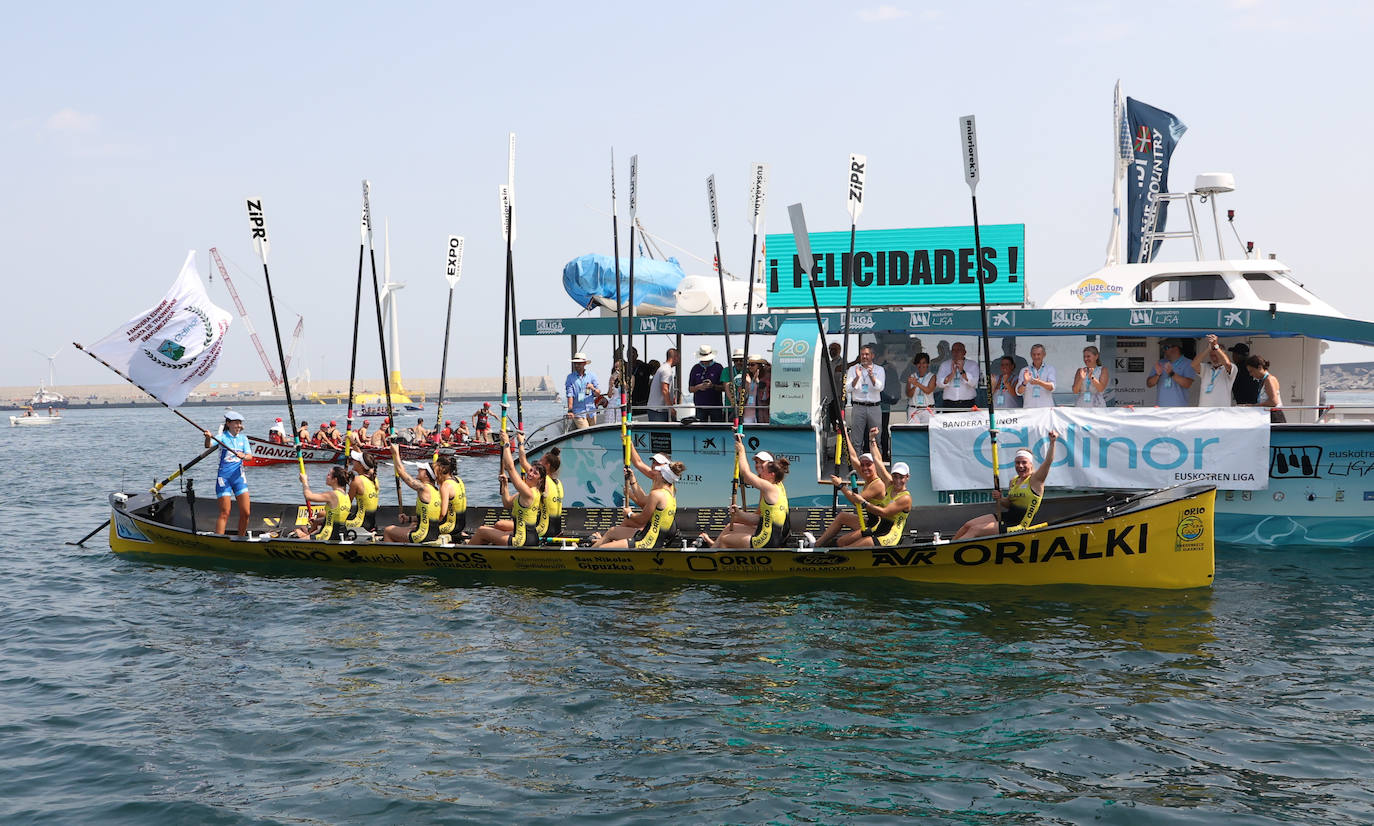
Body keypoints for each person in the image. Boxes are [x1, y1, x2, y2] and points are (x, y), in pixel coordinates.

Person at [954, 431, 1060, 540]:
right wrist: (1000, 498)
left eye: (1024, 462)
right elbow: (1008, 504)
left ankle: (951, 550)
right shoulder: (1013, 481)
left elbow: (1048, 461)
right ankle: (944, 547)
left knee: (975, 530)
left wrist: (1052, 442)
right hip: (1007, 517)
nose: (1020, 466)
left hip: (1019, 526)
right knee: (968, 525)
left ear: (1031, 464)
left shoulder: (1036, 480)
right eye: (1017, 463)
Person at [699, 437, 790, 548]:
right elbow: (760, 518)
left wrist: (741, 451)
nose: (758, 467)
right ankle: (713, 549)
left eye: (762, 465)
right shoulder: (777, 484)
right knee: (730, 528)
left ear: (772, 473)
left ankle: (715, 558)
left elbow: (746, 475)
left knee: (725, 540)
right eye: (757, 463)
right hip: (771, 535)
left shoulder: (768, 487)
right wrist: (740, 514)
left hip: (767, 541)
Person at [589, 447, 685, 549]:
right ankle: (595, 547)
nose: (653, 467)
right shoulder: (669, 489)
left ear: (662, 474)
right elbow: (644, 500)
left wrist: (629, 514)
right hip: (651, 535)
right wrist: (632, 479)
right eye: (653, 462)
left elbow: (642, 518)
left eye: (657, 465)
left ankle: (588, 555)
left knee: (603, 549)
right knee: (613, 531)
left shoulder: (658, 493)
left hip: (647, 541)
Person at [467, 433, 545, 546]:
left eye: (535, 473)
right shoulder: (529, 492)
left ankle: (468, 556)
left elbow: (510, 467)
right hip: (529, 537)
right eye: (531, 470)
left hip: (520, 540)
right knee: (494, 530)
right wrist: (505, 485)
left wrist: (506, 444)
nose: (530, 473)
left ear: (540, 480)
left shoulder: (528, 492)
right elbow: (507, 503)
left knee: (481, 530)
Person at [815, 431, 887, 547]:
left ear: (875, 466)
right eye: (862, 465)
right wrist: (844, 433)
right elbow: (852, 456)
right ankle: (816, 544)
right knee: (842, 516)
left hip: (877, 527)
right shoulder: (868, 477)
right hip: (871, 521)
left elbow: (856, 501)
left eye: (868, 464)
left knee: (842, 541)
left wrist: (841, 486)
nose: (864, 468)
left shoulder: (877, 484)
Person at [838, 449, 912, 548]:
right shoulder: (890, 484)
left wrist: (864, 503)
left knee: (846, 550)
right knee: (841, 542)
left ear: (907, 477)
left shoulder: (905, 498)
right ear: (891, 476)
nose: (898, 480)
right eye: (895, 476)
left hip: (889, 536)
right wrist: (872, 439)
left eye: (901, 477)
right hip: (878, 528)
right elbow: (877, 460)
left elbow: (884, 512)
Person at [492, 437, 562, 540]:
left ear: (547, 465)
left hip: (543, 530)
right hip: (556, 529)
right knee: (501, 526)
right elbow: (508, 502)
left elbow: (522, 461)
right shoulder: (558, 483)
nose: (538, 462)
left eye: (541, 460)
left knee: (500, 526)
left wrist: (519, 442)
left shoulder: (544, 480)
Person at [382, 443, 446, 543]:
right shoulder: (435, 490)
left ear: (426, 476)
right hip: (433, 533)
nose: (418, 469)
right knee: (411, 526)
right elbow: (426, 517)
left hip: (422, 535)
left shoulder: (424, 489)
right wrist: (408, 519)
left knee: (388, 530)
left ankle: (391, 556)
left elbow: (401, 473)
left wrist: (396, 454)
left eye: (422, 469)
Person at [203, 410, 252, 536]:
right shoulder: (222, 437)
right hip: (224, 479)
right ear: (228, 423)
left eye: (240, 423)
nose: (239, 426)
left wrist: (243, 456)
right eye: (236, 423)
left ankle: (241, 539)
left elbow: (250, 457)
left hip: (239, 479)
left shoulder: (243, 438)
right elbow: (208, 446)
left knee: (246, 512)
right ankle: (219, 539)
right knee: (225, 512)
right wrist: (208, 437)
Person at [293, 466, 352, 540]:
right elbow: (336, 518)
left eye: (329, 475)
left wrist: (305, 482)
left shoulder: (332, 495)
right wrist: (318, 521)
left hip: (327, 535)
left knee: (295, 535)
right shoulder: (346, 496)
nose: (326, 476)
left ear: (335, 480)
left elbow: (308, 496)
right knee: (303, 531)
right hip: (342, 533)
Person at [846, 344, 885, 455]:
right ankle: (856, 469)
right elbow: (847, 388)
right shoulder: (853, 369)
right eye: (862, 354)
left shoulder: (879, 369)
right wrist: (857, 377)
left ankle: (877, 469)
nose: (864, 357)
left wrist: (872, 376)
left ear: (872, 356)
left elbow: (880, 387)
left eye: (867, 354)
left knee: (876, 440)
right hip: (858, 407)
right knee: (856, 441)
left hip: (874, 407)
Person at [1147, 339, 1197, 406]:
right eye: (1162, 348)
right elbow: (1149, 384)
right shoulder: (1160, 362)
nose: (1163, 350)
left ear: (1176, 349)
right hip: (1161, 407)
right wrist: (1157, 375)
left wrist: (1171, 373)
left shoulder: (1188, 363)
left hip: (1179, 408)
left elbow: (1187, 384)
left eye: (1166, 347)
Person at [1192, 334, 1236, 408]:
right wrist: (1208, 349)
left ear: (1223, 354)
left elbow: (1227, 364)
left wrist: (1216, 347)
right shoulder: (1205, 367)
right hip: (1204, 411)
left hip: (1221, 411)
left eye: (1216, 355)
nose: (1214, 358)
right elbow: (1194, 364)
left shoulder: (1232, 367)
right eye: (1212, 356)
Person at [431, 453, 467, 539]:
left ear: (442, 469)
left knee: (421, 528)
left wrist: (431, 525)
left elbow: (442, 514)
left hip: (450, 527)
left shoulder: (445, 486)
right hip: (461, 525)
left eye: (435, 469)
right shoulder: (458, 480)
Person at [936, 341, 979, 410]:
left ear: (964, 352)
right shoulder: (945, 365)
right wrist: (951, 374)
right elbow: (939, 384)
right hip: (949, 404)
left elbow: (974, 383)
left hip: (967, 403)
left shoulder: (972, 364)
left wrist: (962, 371)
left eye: (958, 350)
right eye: (953, 350)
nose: (956, 352)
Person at [565, 352, 601, 430]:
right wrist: (570, 410)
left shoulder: (592, 376)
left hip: (591, 411)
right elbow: (570, 394)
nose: (576, 366)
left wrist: (592, 388)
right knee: (586, 432)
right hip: (578, 412)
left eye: (579, 364)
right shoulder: (570, 378)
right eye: (575, 364)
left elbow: (598, 393)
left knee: (593, 434)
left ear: (584, 364)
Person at [689, 344, 726, 422]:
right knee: (701, 430)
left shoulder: (718, 368)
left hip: (716, 406)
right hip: (700, 406)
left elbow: (724, 388)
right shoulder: (695, 368)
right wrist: (698, 387)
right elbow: (690, 389)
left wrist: (712, 386)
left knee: (717, 429)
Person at [1244, 355, 1287, 423]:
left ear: (1259, 367)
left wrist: (1253, 406)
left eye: (1251, 371)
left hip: (1274, 416)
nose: (1251, 374)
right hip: (1268, 415)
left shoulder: (1269, 380)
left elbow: (1274, 402)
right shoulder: (1263, 380)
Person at [345, 452, 380, 532]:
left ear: (361, 465)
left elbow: (346, 504)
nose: (352, 461)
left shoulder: (357, 480)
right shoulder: (375, 479)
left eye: (355, 460)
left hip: (359, 523)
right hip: (371, 523)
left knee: (326, 518)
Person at [1016, 343, 1057, 408]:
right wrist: (1025, 383)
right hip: (1029, 409)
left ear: (1044, 355)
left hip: (1046, 409)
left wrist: (1039, 382)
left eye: (1038, 354)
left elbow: (1052, 387)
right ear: (1030, 355)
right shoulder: (1024, 370)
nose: (1036, 357)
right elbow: (1019, 392)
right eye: (1034, 354)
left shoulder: (1050, 369)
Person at [646, 348, 678, 422]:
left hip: (657, 409)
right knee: (660, 432)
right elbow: (665, 389)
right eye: (678, 357)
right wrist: (670, 407)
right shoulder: (666, 370)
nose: (679, 360)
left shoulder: (663, 368)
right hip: (658, 410)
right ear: (675, 357)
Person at [905, 352, 938, 424]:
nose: (921, 365)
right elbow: (909, 394)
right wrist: (914, 386)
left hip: (928, 409)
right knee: (913, 432)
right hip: (914, 409)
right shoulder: (912, 376)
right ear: (916, 365)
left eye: (924, 363)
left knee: (928, 432)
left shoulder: (932, 376)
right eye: (919, 363)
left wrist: (916, 383)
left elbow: (928, 390)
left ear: (928, 364)